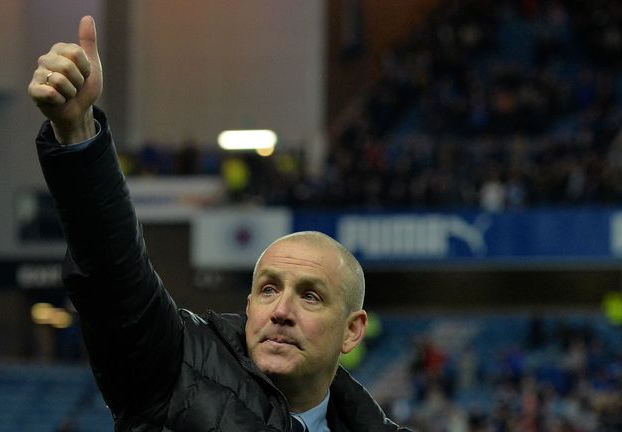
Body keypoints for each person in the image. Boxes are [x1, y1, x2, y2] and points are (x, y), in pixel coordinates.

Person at [28, 15, 410, 432]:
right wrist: (78, 131)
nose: (281, 311)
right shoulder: (173, 371)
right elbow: (112, 276)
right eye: (267, 289)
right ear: (248, 308)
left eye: (311, 296)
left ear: (352, 331)